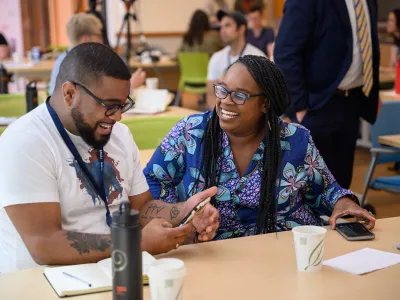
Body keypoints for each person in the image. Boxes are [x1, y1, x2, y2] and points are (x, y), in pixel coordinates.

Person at [0, 43, 219, 273]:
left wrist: (183, 211)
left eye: (123, 105)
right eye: (109, 106)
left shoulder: (119, 135)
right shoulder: (25, 141)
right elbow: (44, 244)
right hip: (44, 280)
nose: (118, 117)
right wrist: (136, 243)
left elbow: (141, 208)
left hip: (117, 267)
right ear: (69, 94)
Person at [144, 55, 375, 240]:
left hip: (286, 250)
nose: (225, 100)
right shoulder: (191, 132)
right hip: (214, 252)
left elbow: (326, 190)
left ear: (265, 103)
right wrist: (182, 212)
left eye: (239, 95)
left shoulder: (295, 139)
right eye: (223, 90)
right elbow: (152, 183)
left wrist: (344, 205)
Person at [274, 0, 381, 190]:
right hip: (317, 104)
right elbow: (285, 53)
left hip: (352, 101)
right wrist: (300, 106)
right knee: (313, 187)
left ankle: (338, 220)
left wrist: (373, 89)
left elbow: (368, 45)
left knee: (341, 182)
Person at [48, 13, 146, 96]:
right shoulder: (79, 66)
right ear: (85, 39)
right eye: (99, 36)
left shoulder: (65, 59)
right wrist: (130, 86)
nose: (102, 41)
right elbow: (99, 100)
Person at [206, 11, 265, 110]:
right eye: (221, 27)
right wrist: (218, 117)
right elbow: (211, 95)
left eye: (228, 25)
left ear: (241, 29)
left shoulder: (258, 57)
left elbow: (263, 97)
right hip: (223, 113)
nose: (222, 30)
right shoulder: (216, 58)